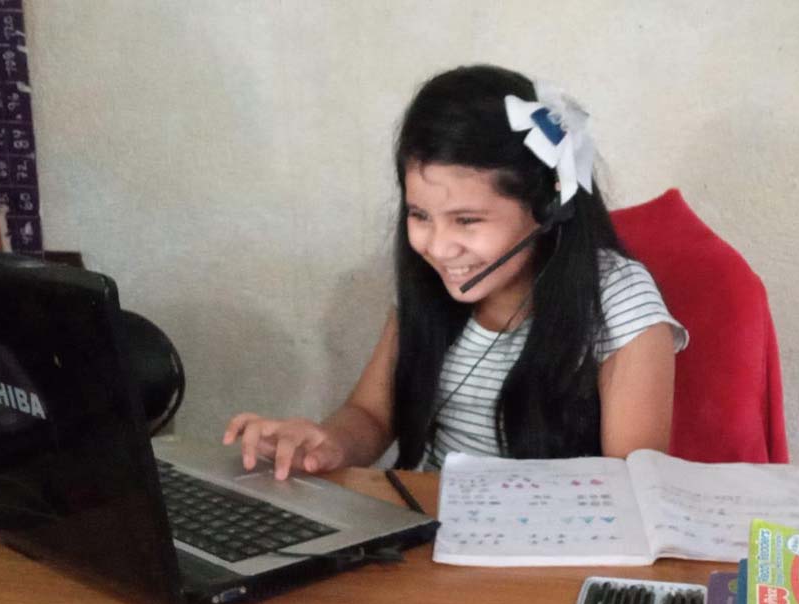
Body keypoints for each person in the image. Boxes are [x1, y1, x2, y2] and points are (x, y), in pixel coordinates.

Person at [224, 65, 687, 477]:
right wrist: (328, 443)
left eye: (467, 220)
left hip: (559, 547)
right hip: (433, 539)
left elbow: (631, 483)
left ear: (548, 207)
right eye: (420, 215)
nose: (439, 247)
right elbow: (371, 415)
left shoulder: (619, 302)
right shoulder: (428, 285)